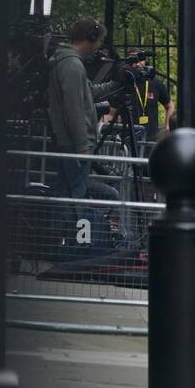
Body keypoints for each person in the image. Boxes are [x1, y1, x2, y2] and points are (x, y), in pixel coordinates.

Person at [45, 18, 125, 234]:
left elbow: (88, 92)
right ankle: (74, 243)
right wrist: (82, 146)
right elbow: (74, 109)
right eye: (98, 40)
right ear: (91, 38)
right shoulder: (71, 65)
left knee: (67, 191)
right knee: (76, 195)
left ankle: (59, 241)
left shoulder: (68, 62)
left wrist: (117, 84)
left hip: (71, 142)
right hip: (75, 144)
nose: (99, 45)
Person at [124, 49, 173, 149]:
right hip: (128, 139)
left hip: (151, 138)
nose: (137, 64)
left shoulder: (155, 83)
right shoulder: (123, 84)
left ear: (145, 61)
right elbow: (111, 112)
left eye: (140, 59)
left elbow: (170, 106)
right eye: (133, 60)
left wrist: (167, 127)